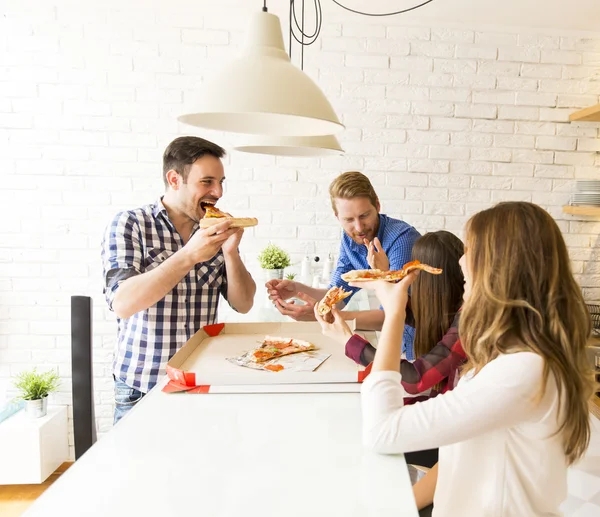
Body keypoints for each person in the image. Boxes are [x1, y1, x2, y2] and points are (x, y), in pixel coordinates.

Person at [356, 202, 594, 516]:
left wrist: (394, 312)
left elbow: (382, 432)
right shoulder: (508, 356)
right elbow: (459, 448)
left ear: (501, 268)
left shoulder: (523, 370)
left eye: (471, 249)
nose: (462, 260)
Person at [101, 136, 256, 424]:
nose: (218, 191)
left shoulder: (211, 229)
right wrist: (189, 255)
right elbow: (122, 302)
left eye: (221, 181)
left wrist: (231, 252)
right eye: (207, 182)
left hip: (200, 382)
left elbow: (244, 303)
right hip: (142, 387)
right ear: (174, 179)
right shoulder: (130, 224)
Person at [316, 231, 466, 475]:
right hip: (443, 416)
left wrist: (348, 340)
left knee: (368, 435)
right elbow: (411, 314)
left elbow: (413, 379)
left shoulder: (467, 322)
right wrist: (343, 317)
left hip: (452, 439)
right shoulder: (451, 310)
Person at [266, 171, 421, 357]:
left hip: (423, 342)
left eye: (364, 215)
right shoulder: (351, 239)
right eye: (348, 219)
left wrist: (324, 316)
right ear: (337, 216)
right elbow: (337, 297)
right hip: (398, 344)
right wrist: (297, 289)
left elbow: (394, 313)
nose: (358, 227)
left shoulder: (402, 239)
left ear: (377, 205)